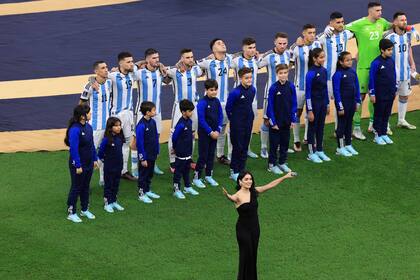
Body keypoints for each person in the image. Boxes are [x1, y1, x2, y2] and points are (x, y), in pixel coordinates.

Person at [222, 171, 294, 280]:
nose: (249, 181)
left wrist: (285, 176)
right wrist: (227, 195)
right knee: (246, 254)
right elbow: (232, 198)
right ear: (240, 182)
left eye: (250, 179)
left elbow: (270, 185)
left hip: (255, 228)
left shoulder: (255, 192)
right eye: (246, 179)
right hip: (243, 230)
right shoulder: (237, 196)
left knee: (253, 254)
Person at [345, 2, 393, 139]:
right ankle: (356, 127)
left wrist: (408, 28)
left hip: (379, 67)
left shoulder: (382, 22)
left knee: (375, 97)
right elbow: (341, 28)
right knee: (360, 97)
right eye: (378, 10)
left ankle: (372, 124)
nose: (380, 13)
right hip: (364, 67)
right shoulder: (359, 24)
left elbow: (393, 25)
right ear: (370, 11)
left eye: (381, 10)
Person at [197, 38, 233, 165]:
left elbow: (242, 54)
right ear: (213, 49)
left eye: (223, 42)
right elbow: (193, 63)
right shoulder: (208, 62)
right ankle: (206, 157)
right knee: (208, 130)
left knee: (222, 129)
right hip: (209, 103)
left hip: (224, 102)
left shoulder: (229, 58)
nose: (222, 43)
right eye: (219, 43)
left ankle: (220, 155)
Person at [167, 48, 203, 173]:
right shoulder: (174, 71)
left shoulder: (196, 69)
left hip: (193, 106)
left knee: (192, 134)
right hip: (179, 107)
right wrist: (176, 66)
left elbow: (203, 68)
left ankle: (189, 159)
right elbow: (163, 75)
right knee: (174, 134)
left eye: (192, 57)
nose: (190, 59)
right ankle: (173, 162)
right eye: (187, 57)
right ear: (181, 58)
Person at [134, 48, 169, 176]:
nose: (157, 60)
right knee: (137, 139)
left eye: (158, 58)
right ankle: (134, 168)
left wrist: (163, 68)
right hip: (141, 112)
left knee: (155, 138)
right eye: (154, 58)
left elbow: (168, 79)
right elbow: (125, 72)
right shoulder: (140, 73)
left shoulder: (160, 72)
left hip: (157, 112)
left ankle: (153, 164)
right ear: (147, 59)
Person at [317, 12, 354, 131]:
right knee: (323, 107)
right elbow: (312, 40)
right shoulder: (325, 36)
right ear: (330, 23)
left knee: (340, 104)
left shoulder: (346, 34)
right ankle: (314, 135)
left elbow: (357, 28)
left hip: (342, 76)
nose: (341, 24)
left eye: (342, 22)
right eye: (338, 22)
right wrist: (325, 30)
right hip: (327, 77)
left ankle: (339, 130)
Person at [258, 32, 292, 158]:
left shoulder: (289, 53)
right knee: (267, 121)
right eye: (280, 43)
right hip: (270, 94)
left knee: (283, 119)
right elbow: (256, 66)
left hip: (285, 93)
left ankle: (280, 145)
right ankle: (263, 147)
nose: (282, 46)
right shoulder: (268, 56)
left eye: (284, 43)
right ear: (274, 43)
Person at [385, 11, 420, 130]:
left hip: (405, 72)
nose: (404, 22)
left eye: (405, 20)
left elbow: (409, 47)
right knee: (389, 98)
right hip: (392, 74)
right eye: (401, 20)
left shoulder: (408, 34)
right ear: (394, 22)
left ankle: (401, 120)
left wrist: (412, 62)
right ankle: (386, 124)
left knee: (404, 96)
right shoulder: (388, 36)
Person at [79, 61, 112, 187]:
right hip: (95, 127)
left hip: (108, 127)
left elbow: (127, 68)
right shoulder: (89, 86)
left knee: (106, 153)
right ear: (96, 71)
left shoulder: (109, 82)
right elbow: (81, 104)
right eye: (103, 68)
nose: (106, 70)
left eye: (106, 67)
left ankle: (103, 179)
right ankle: (84, 182)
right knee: (89, 156)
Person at [64, 104, 98, 223]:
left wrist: (95, 159)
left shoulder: (88, 127)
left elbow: (91, 145)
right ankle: (71, 212)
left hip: (88, 162)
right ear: (82, 116)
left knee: (86, 186)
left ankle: (84, 209)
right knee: (76, 187)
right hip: (78, 164)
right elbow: (73, 149)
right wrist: (78, 165)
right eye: (88, 112)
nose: (90, 114)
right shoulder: (75, 130)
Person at [290, 24, 322, 152]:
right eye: (309, 33)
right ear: (303, 34)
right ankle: (296, 140)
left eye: (314, 32)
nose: (312, 35)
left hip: (314, 87)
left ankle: (307, 137)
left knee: (311, 113)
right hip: (300, 87)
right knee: (297, 112)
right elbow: (289, 64)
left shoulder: (318, 45)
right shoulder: (295, 47)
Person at [231, 37, 261, 159]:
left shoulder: (256, 60)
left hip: (252, 99)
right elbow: (223, 59)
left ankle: (246, 149)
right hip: (238, 99)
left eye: (254, 47)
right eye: (249, 48)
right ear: (243, 48)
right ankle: (231, 153)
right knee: (235, 127)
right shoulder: (236, 60)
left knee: (249, 124)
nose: (252, 50)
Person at [266, 64, 297, 174]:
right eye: (281, 73)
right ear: (277, 74)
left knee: (285, 142)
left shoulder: (291, 86)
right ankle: (271, 164)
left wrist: (293, 119)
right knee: (274, 144)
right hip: (276, 122)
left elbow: (294, 103)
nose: (283, 75)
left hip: (286, 121)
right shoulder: (273, 88)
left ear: (288, 73)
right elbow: (270, 106)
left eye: (285, 73)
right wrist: (273, 122)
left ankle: (282, 162)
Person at [226, 68, 256, 181]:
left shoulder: (252, 90)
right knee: (237, 147)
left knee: (245, 146)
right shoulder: (235, 92)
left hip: (248, 121)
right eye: (246, 78)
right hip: (237, 123)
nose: (249, 80)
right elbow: (228, 108)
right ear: (240, 78)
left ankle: (242, 169)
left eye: (250, 77)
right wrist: (234, 119)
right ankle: (234, 170)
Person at [193, 79, 223, 188]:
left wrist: (218, 130)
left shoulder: (217, 101)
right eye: (211, 90)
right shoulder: (202, 103)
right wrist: (210, 132)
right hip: (205, 134)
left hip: (215, 133)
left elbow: (220, 116)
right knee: (203, 155)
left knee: (211, 155)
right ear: (206, 90)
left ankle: (209, 175)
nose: (214, 92)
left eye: (215, 90)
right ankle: (196, 177)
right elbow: (201, 120)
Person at [332, 52, 362, 157]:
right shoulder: (337, 74)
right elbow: (336, 92)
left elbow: (357, 87)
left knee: (349, 124)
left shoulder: (352, 72)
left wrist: (358, 101)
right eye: (347, 60)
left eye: (351, 59)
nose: (350, 62)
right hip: (343, 104)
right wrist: (340, 106)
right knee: (342, 125)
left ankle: (348, 144)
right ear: (341, 62)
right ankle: (340, 147)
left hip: (351, 103)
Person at [369, 39, 397, 145]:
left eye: (392, 50)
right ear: (382, 50)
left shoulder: (391, 60)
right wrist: (372, 93)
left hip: (390, 93)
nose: (391, 52)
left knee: (387, 114)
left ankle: (384, 133)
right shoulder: (376, 63)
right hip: (380, 94)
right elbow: (371, 79)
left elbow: (393, 75)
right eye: (389, 50)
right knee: (379, 114)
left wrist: (394, 89)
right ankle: (377, 135)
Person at [305, 48, 331, 163]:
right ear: (314, 58)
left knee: (321, 127)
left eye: (324, 57)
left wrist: (328, 103)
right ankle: (311, 152)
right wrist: (309, 110)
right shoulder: (310, 73)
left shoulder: (324, 71)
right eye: (321, 57)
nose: (323, 59)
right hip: (314, 104)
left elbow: (325, 88)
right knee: (312, 128)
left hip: (322, 103)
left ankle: (320, 150)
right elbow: (308, 93)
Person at [172, 99, 199, 199]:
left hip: (188, 151)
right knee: (178, 171)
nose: (191, 113)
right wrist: (175, 148)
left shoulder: (189, 121)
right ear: (183, 112)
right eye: (189, 111)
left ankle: (187, 187)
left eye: (192, 111)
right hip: (181, 152)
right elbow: (174, 137)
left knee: (187, 170)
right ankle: (176, 189)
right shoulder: (181, 124)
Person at [97, 117, 125, 212]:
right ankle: (107, 203)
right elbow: (100, 152)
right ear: (110, 127)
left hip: (118, 165)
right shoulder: (106, 139)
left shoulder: (120, 137)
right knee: (108, 184)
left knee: (116, 184)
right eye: (116, 126)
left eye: (119, 125)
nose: (119, 127)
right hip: (109, 166)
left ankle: (114, 201)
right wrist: (105, 160)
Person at [136, 101, 161, 204]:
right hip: (145, 156)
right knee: (143, 174)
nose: (155, 111)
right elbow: (139, 143)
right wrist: (142, 158)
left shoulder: (153, 122)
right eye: (154, 110)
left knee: (150, 173)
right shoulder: (141, 126)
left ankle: (147, 190)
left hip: (152, 153)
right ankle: (141, 194)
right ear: (147, 112)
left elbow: (155, 137)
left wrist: (157, 150)